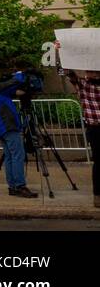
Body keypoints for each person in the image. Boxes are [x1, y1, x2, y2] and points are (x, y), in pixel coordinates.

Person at [0, 70, 37, 198]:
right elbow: (14, 81)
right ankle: (20, 185)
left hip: (1, 127)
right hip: (8, 125)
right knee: (18, 155)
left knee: (10, 156)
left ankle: (13, 186)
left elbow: (14, 91)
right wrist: (21, 74)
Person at [62, 68, 100, 208]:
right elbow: (70, 75)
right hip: (95, 127)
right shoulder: (84, 85)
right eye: (90, 72)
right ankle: (97, 195)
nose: (92, 74)